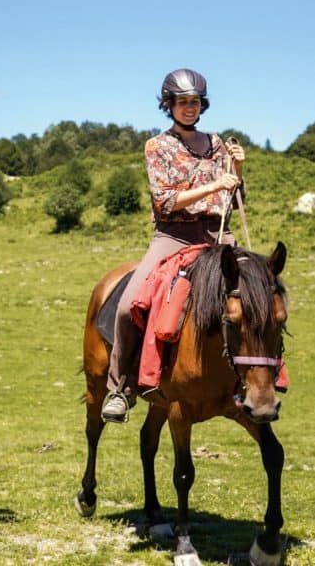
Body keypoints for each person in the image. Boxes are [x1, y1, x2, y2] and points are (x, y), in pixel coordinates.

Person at [102, 68, 245, 423]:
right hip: (174, 236)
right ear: (169, 105)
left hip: (216, 235)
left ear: (202, 104)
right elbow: (165, 201)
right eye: (182, 102)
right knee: (126, 306)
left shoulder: (217, 144)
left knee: (257, 295)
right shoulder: (157, 146)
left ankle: (261, 382)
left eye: (194, 102)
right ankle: (118, 389)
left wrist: (237, 170)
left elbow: (235, 198)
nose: (189, 108)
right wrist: (213, 187)